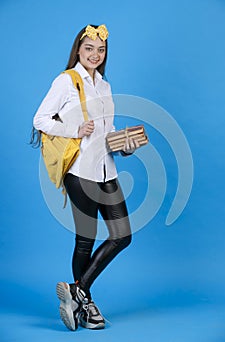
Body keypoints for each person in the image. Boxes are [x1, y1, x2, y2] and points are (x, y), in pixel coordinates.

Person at [32, 24, 139, 331]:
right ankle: (87, 305)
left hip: (107, 169)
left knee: (122, 235)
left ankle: (77, 291)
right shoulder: (66, 81)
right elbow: (39, 118)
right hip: (80, 171)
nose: (95, 54)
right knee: (85, 240)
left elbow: (106, 133)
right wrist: (74, 130)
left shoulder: (104, 86)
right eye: (89, 48)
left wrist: (124, 145)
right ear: (78, 49)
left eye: (100, 49)